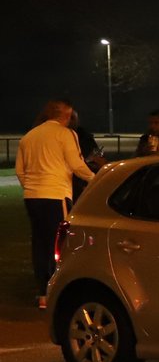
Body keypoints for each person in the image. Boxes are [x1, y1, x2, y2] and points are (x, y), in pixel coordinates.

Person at [15, 100, 98, 309]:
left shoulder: (29, 136)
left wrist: (32, 187)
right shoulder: (65, 134)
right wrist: (97, 179)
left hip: (32, 196)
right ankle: (57, 290)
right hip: (56, 195)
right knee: (59, 244)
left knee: (40, 242)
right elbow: (76, 164)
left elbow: (20, 170)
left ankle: (43, 291)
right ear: (66, 115)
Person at [67, 109, 107, 203]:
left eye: (73, 118)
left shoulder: (85, 136)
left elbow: (97, 154)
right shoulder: (63, 136)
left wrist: (98, 160)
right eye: (70, 118)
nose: (72, 121)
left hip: (82, 180)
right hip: (69, 180)